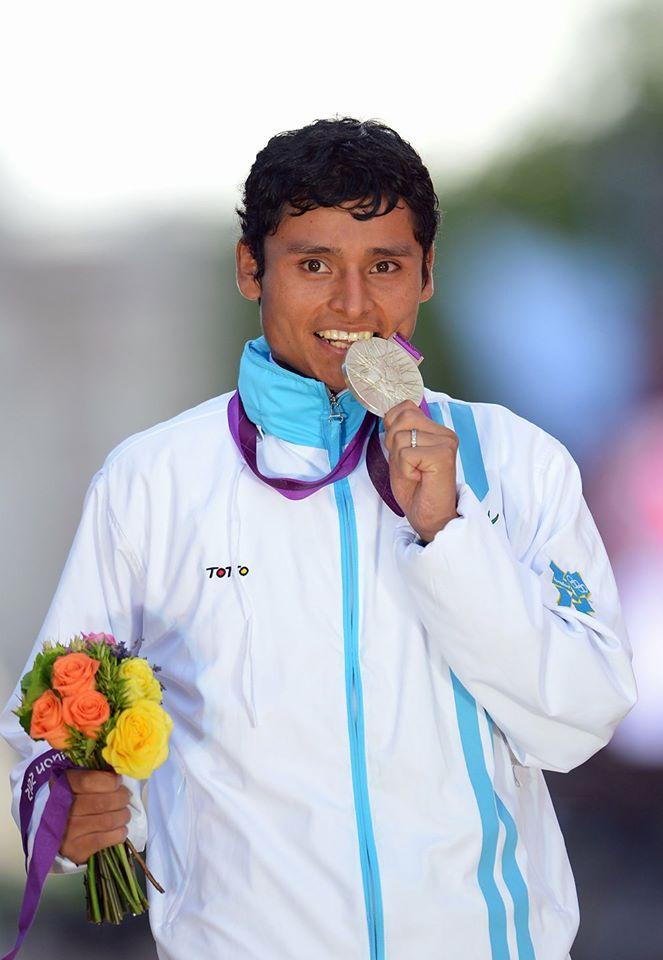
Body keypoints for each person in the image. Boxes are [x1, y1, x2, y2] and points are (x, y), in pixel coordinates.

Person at [1, 117, 637, 960]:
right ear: (248, 269)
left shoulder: (516, 462)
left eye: (384, 266)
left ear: (426, 275)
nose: (350, 304)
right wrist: (79, 804)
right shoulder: (154, 480)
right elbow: (53, 723)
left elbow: (579, 722)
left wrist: (449, 532)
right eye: (312, 264)